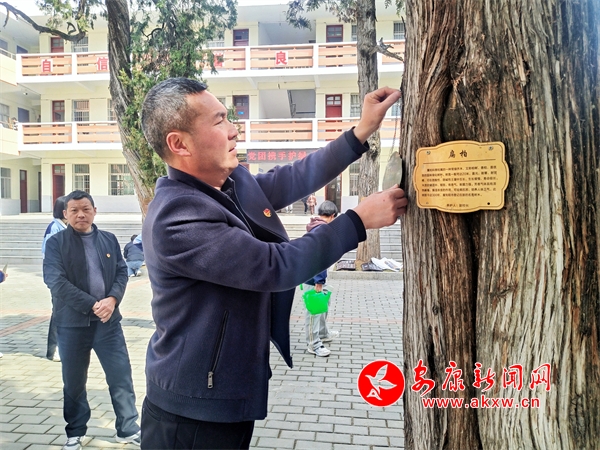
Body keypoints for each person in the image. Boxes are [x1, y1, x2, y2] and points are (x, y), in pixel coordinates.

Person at [139, 77, 407, 449]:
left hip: (224, 392)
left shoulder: (228, 185)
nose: (233, 130)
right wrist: (357, 221)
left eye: (228, 117)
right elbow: (274, 266)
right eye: (218, 121)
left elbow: (293, 178)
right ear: (179, 144)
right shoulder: (177, 217)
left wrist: (360, 132)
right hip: (192, 411)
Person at [43, 190, 141, 450]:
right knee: (74, 382)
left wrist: (113, 299)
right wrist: (92, 305)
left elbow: (121, 272)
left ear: (95, 211)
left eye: (85, 209)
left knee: (120, 377)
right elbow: (55, 281)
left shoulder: (108, 239)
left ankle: (128, 429)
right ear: (65, 214)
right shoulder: (56, 243)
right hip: (72, 325)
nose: (80, 215)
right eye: (74, 210)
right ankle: (75, 432)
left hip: (109, 323)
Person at [304, 200, 340, 357]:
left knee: (323, 305)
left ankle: (323, 333)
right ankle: (313, 343)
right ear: (332, 216)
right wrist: (318, 281)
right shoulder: (322, 230)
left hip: (315, 276)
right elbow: (319, 257)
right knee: (314, 311)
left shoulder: (315, 226)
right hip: (314, 278)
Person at [42, 195, 68, 362]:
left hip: (66, 277)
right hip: (57, 278)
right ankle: (53, 350)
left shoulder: (64, 227)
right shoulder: (55, 228)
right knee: (59, 313)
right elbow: (49, 255)